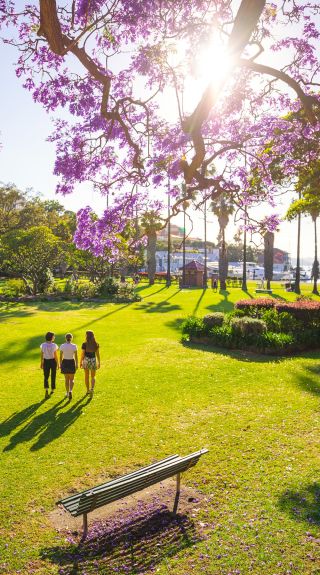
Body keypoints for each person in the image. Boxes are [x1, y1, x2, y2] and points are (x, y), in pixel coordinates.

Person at [80, 330, 100, 395]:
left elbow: (82, 354)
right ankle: (92, 389)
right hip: (93, 360)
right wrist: (99, 362)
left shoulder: (84, 344)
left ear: (86, 336)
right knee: (93, 376)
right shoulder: (96, 344)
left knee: (86, 376)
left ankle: (88, 390)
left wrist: (80, 362)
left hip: (86, 360)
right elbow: (97, 354)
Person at [60, 333, 78, 400]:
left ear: (65, 338)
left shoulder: (62, 346)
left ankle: (67, 393)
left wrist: (60, 363)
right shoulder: (74, 346)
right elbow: (76, 356)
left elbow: (61, 356)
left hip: (65, 362)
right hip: (71, 362)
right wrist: (76, 364)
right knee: (72, 379)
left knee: (66, 379)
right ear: (71, 338)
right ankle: (71, 390)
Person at [40, 332, 59, 399]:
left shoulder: (43, 345)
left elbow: (42, 354)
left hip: (46, 361)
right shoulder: (54, 345)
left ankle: (46, 389)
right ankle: (52, 389)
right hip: (53, 361)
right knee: (53, 375)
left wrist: (41, 363)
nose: (54, 337)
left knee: (46, 376)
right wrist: (58, 363)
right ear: (51, 337)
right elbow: (55, 355)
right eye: (54, 336)